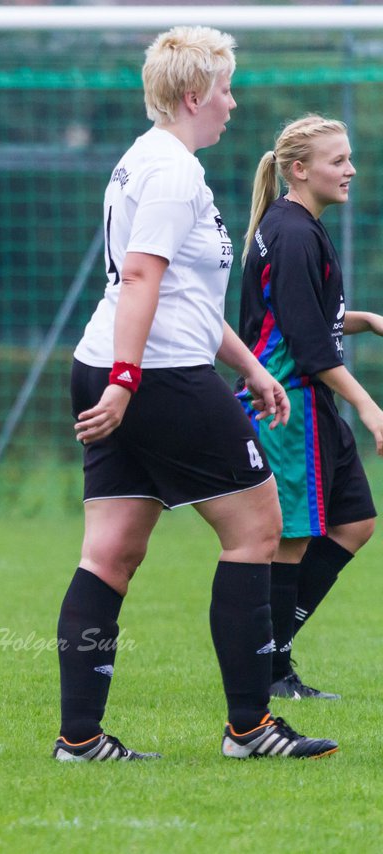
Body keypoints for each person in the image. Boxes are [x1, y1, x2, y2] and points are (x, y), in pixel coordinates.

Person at [55, 26, 337, 761]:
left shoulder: (146, 162)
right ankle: (251, 727)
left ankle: (79, 738)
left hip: (123, 361)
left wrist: (248, 365)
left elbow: (181, 294)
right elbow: (143, 277)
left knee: (110, 552)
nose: (233, 103)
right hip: (154, 374)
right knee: (257, 531)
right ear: (191, 95)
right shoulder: (172, 170)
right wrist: (126, 381)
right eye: (224, 89)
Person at [237, 115, 383, 701]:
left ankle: (270, 653)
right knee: (291, 538)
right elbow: (303, 342)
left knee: (355, 522)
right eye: (337, 161)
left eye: (349, 158)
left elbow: (302, 318)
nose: (350, 170)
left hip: (307, 400)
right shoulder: (294, 233)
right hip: (286, 404)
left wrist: (363, 320)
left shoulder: (298, 225)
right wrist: (370, 407)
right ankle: (269, 672)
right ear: (299, 170)